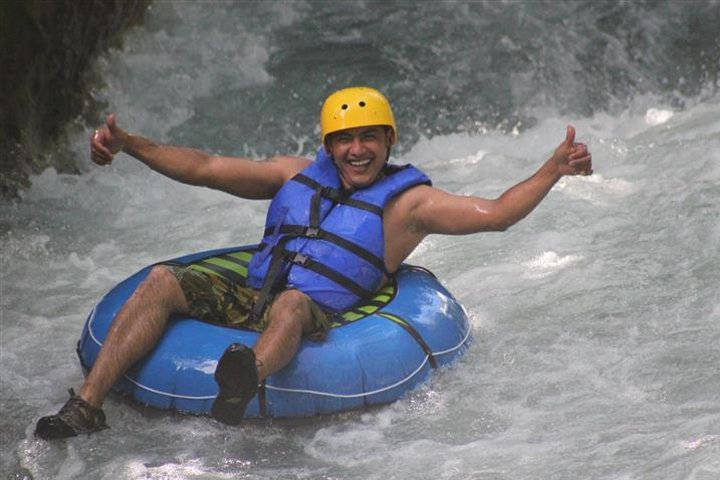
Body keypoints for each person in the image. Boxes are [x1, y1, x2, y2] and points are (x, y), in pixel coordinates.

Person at [35, 87, 592, 439]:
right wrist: (129, 143)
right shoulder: (292, 173)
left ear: (388, 140)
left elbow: (495, 214)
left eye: (368, 138)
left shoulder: (410, 206)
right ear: (328, 146)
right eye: (344, 140)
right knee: (162, 280)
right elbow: (204, 166)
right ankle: (86, 408)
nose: (356, 150)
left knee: (294, 303)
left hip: (315, 311)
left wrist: (552, 169)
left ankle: (243, 378)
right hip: (250, 293)